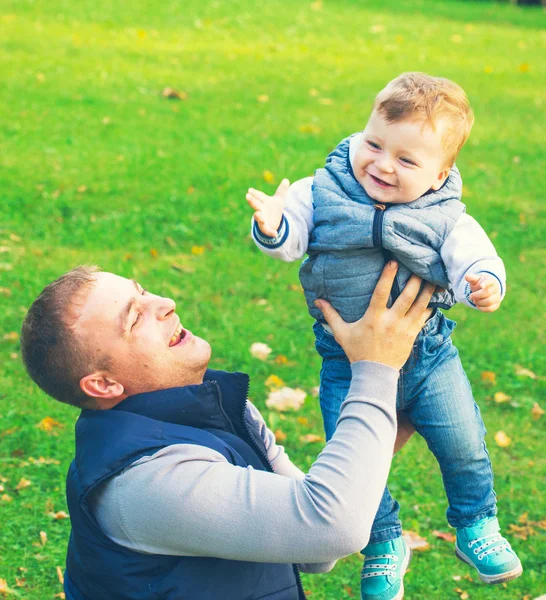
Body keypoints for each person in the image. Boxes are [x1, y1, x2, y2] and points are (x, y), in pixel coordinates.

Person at [247, 72, 522, 600]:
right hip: (345, 363)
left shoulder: (445, 214)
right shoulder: (322, 189)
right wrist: (273, 223)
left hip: (429, 357)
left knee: (463, 445)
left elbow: (473, 257)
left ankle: (475, 524)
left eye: (407, 160)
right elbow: (290, 240)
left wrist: (481, 283)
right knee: (352, 464)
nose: (381, 164)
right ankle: (382, 545)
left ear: (441, 174)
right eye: (373, 143)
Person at [21, 261, 432, 600]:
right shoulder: (144, 480)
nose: (165, 303)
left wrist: (385, 425)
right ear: (104, 385)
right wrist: (376, 368)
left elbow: (310, 547)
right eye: (134, 318)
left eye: (143, 291)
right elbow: (330, 527)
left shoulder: (210, 407)